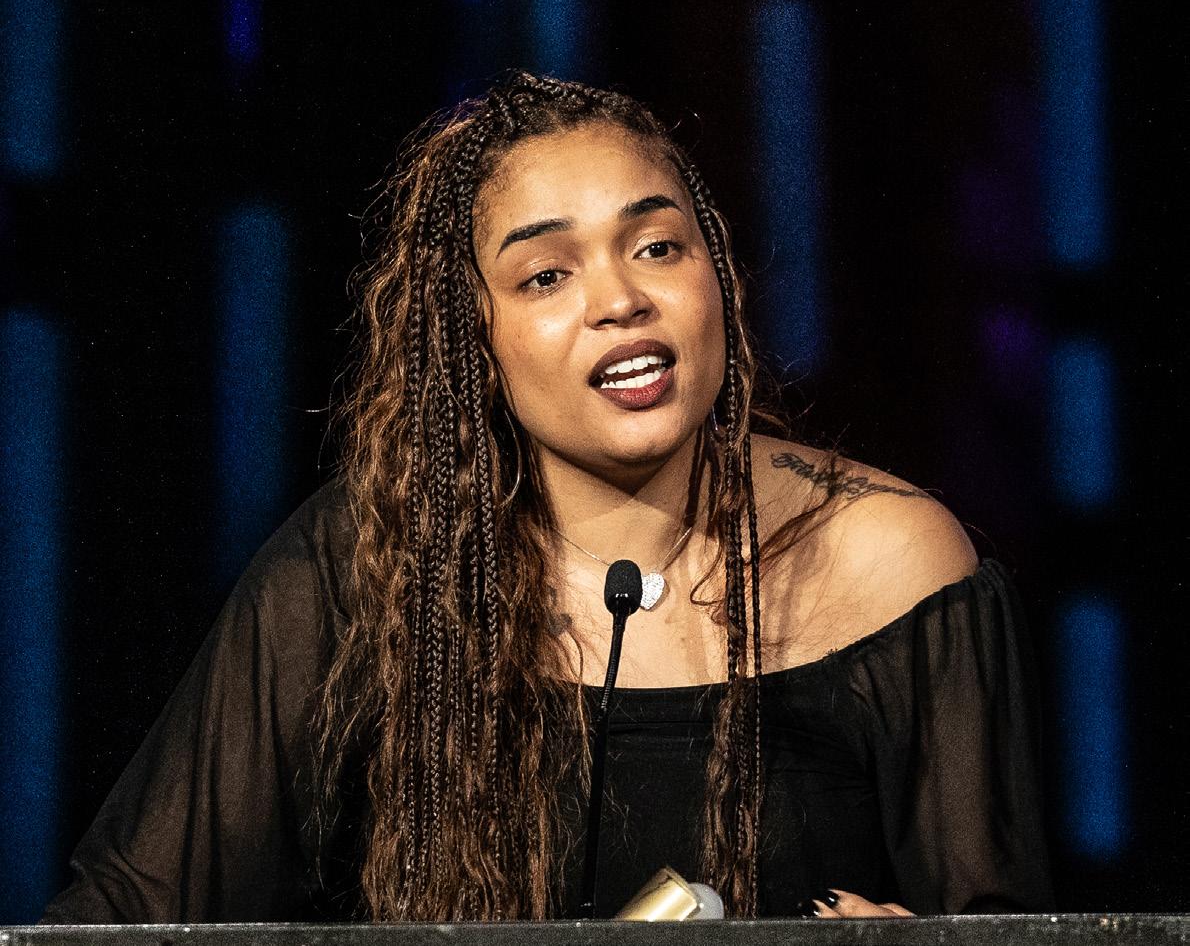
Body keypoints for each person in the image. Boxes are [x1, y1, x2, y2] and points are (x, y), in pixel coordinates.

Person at [42, 72, 1053, 923]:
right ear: (471, 339)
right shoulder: (371, 567)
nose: (620, 300)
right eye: (544, 276)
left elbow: (1007, 931)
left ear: (718, 276)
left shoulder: (894, 563)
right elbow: (121, 914)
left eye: (656, 247)